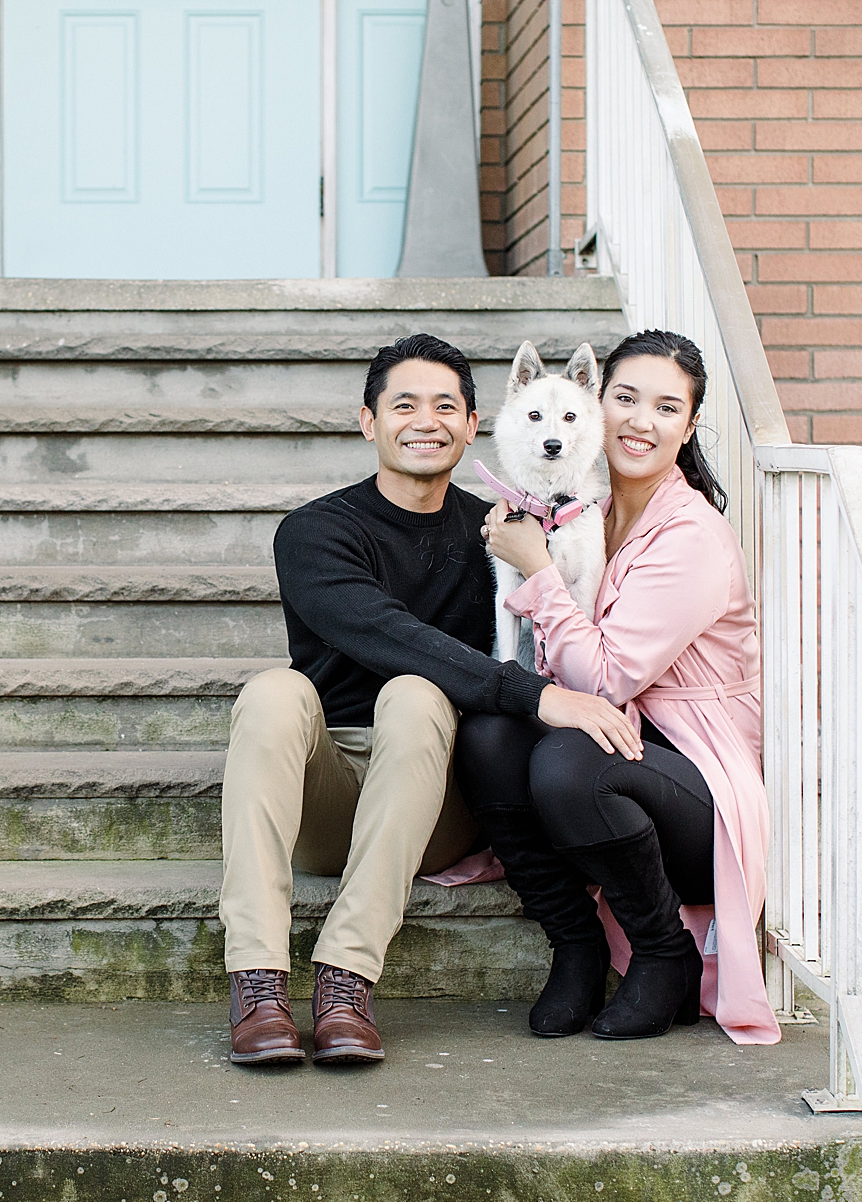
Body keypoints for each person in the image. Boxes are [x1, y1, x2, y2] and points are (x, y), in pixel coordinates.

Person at [220, 333, 643, 1066]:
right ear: (368, 422)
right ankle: (257, 982)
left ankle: (347, 979)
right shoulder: (315, 532)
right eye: (404, 405)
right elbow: (387, 634)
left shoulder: (502, 532)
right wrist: (535, 698)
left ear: (473, 425)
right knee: (274, 691)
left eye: (446, 405)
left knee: (416, 696)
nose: (426, 420)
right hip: (322, 790)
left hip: (437, 793)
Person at [457, 329, 779, 1046]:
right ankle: (574, 943)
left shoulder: (688, 535)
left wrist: (536, 570)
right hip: (631, 751)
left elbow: (601, 679)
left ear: (690, 426)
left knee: (570, 761)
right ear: (594, 406)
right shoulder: (588, 509)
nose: (640, 420)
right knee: (486, 736)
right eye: (625, 399)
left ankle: (664, 952)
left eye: (667, 408)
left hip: (701, 788)